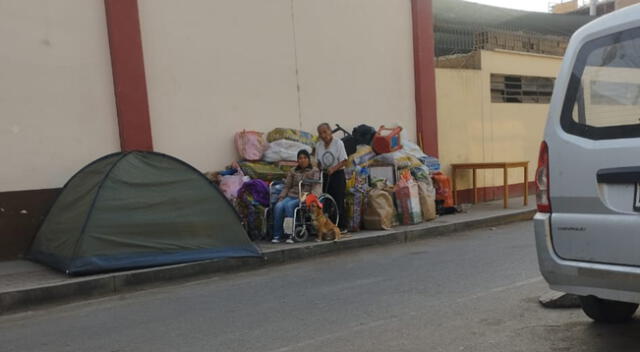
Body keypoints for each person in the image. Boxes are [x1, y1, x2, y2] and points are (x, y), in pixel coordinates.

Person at [272, 149, 321, 243]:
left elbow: (316, 186)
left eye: (305, 158)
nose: (302, 160)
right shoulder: (293, 171)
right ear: (297, 160)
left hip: (304, 196)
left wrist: (312, 198)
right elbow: (287, 186)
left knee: (288, 206)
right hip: (291, 195)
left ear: (308, 159)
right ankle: (277, 235)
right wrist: (281, 197)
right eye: (300, 158)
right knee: (278, 206)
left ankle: (290, 235)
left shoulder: (314, 171)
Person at [315, 123, 348, 233]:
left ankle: (342, 226)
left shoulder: (338, 143)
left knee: (338, 200)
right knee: (326, 201)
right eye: (321, 133)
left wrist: (333, 169)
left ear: (330, 131)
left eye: (325, 132)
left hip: (337, 175)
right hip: (325, 175)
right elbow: (318, 161)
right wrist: (319, 169)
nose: (323, 135)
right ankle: (329, 226)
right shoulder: (319, 145)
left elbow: (344, 161)